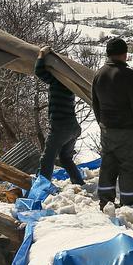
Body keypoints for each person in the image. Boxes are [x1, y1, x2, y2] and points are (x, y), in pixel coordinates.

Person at [91, 38, 133, 210]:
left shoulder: (99, 74)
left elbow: (95, 103)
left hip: (107, 129)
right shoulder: (128, 74)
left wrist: (102, 123)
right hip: (126, 130)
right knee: (128, 166)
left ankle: (105, 200)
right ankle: (128, 203)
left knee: (107, 165)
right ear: (125, 54)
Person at [35, 46, 84, 185]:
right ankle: (79, 182)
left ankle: (41, 187)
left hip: (60, 127)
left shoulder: (58, 81)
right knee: (65, 157)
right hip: (73, 127)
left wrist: (41, 54)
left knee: (47, 158)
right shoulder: (71, 83)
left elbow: (39, 71)